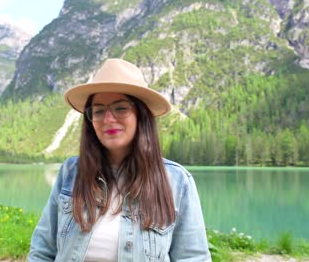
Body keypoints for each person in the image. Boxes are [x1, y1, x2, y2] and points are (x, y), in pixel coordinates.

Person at [28, 58, 211, 261]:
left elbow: (193, 258)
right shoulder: (71, 172)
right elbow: (42, 251)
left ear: (141, 115)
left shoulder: (177, 181)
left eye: (121, 108)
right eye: (98, 111)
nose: (108, 119)